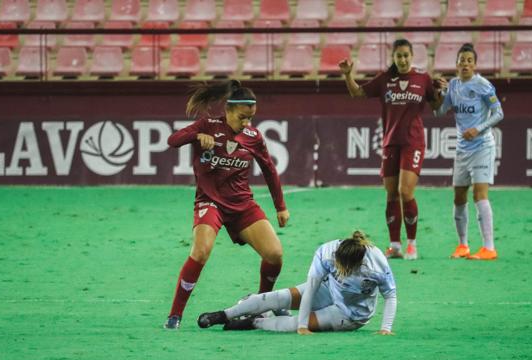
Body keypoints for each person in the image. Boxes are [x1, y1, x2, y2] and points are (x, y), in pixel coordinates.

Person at [163, 80, 290, 329]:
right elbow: (173, 140)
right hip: (210, 202)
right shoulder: (207, 126)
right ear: (228, 110)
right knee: (200, 252)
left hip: (242, 204)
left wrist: (280, 206)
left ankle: (261, 305)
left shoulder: (253, 136)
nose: (246, 123)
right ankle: (175, 315)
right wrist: (197, 136)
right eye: (242, 117)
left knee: (275, 254)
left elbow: (269, 169)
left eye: (250, 118)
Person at [339, 39, 445, 260]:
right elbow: (357, 93)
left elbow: (436, 107)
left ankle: (412, 244)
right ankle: (395, 245)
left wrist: (440, 93)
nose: (403, 60)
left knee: (406, 191)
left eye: (406, 55)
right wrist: (348, 75)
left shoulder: (423, 78)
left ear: (412, 56)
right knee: (391, 194)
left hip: (413, 141)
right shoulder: (385, 79)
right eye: (399, 56)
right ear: (394, 58)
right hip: (390, 142)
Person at [197, 231, 397, 335]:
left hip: (350, 313)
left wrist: (385, 328)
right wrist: (304, 325)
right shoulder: (327, 253)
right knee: (279, 297)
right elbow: (311, 289)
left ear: (357, 264)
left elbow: (391, 296)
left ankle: (254, 322)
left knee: (292, 324)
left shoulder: (376, 266)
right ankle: (223, 315)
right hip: (328, 289)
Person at [434, 43, 504, 261]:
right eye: (461, 60)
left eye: (469, 61)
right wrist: (439, 93)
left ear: (475, 65)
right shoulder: (453, 86)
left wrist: (479, 129)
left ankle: (489, 248)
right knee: (458, 197)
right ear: (456, 63)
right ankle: (463, 245)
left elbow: (498, 112)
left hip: (482, 146)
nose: (465, 64)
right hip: (462, 150)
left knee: (479, 194)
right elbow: (438, 112)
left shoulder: (482, 85)